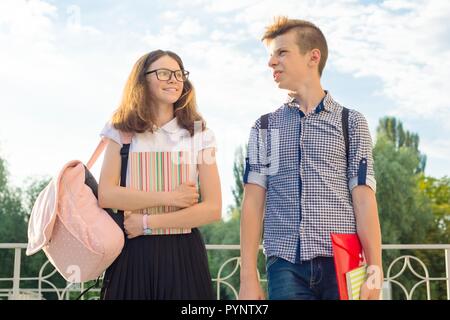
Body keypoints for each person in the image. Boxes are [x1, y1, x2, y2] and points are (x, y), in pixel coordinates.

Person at [239, 17, 382, 300]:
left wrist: (375, 269)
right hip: (284, 267)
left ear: (312, 57)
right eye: (271, 55)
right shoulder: (264, 127)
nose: (271, 63)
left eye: (282, 52)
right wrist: (248, 278)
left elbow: (364, 199)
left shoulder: (351, 122)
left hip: (342, 263)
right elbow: (253, 202)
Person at [98, 49, 221, 299]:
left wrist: (146, 224)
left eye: (178, 74)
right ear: (142, 80)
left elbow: (213, 208)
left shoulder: (200, 134)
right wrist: (170, 198)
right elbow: (107, 195)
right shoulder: (120, 130)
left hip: (183, 253)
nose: (174, 79)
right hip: (132, 252)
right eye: (164, 73)